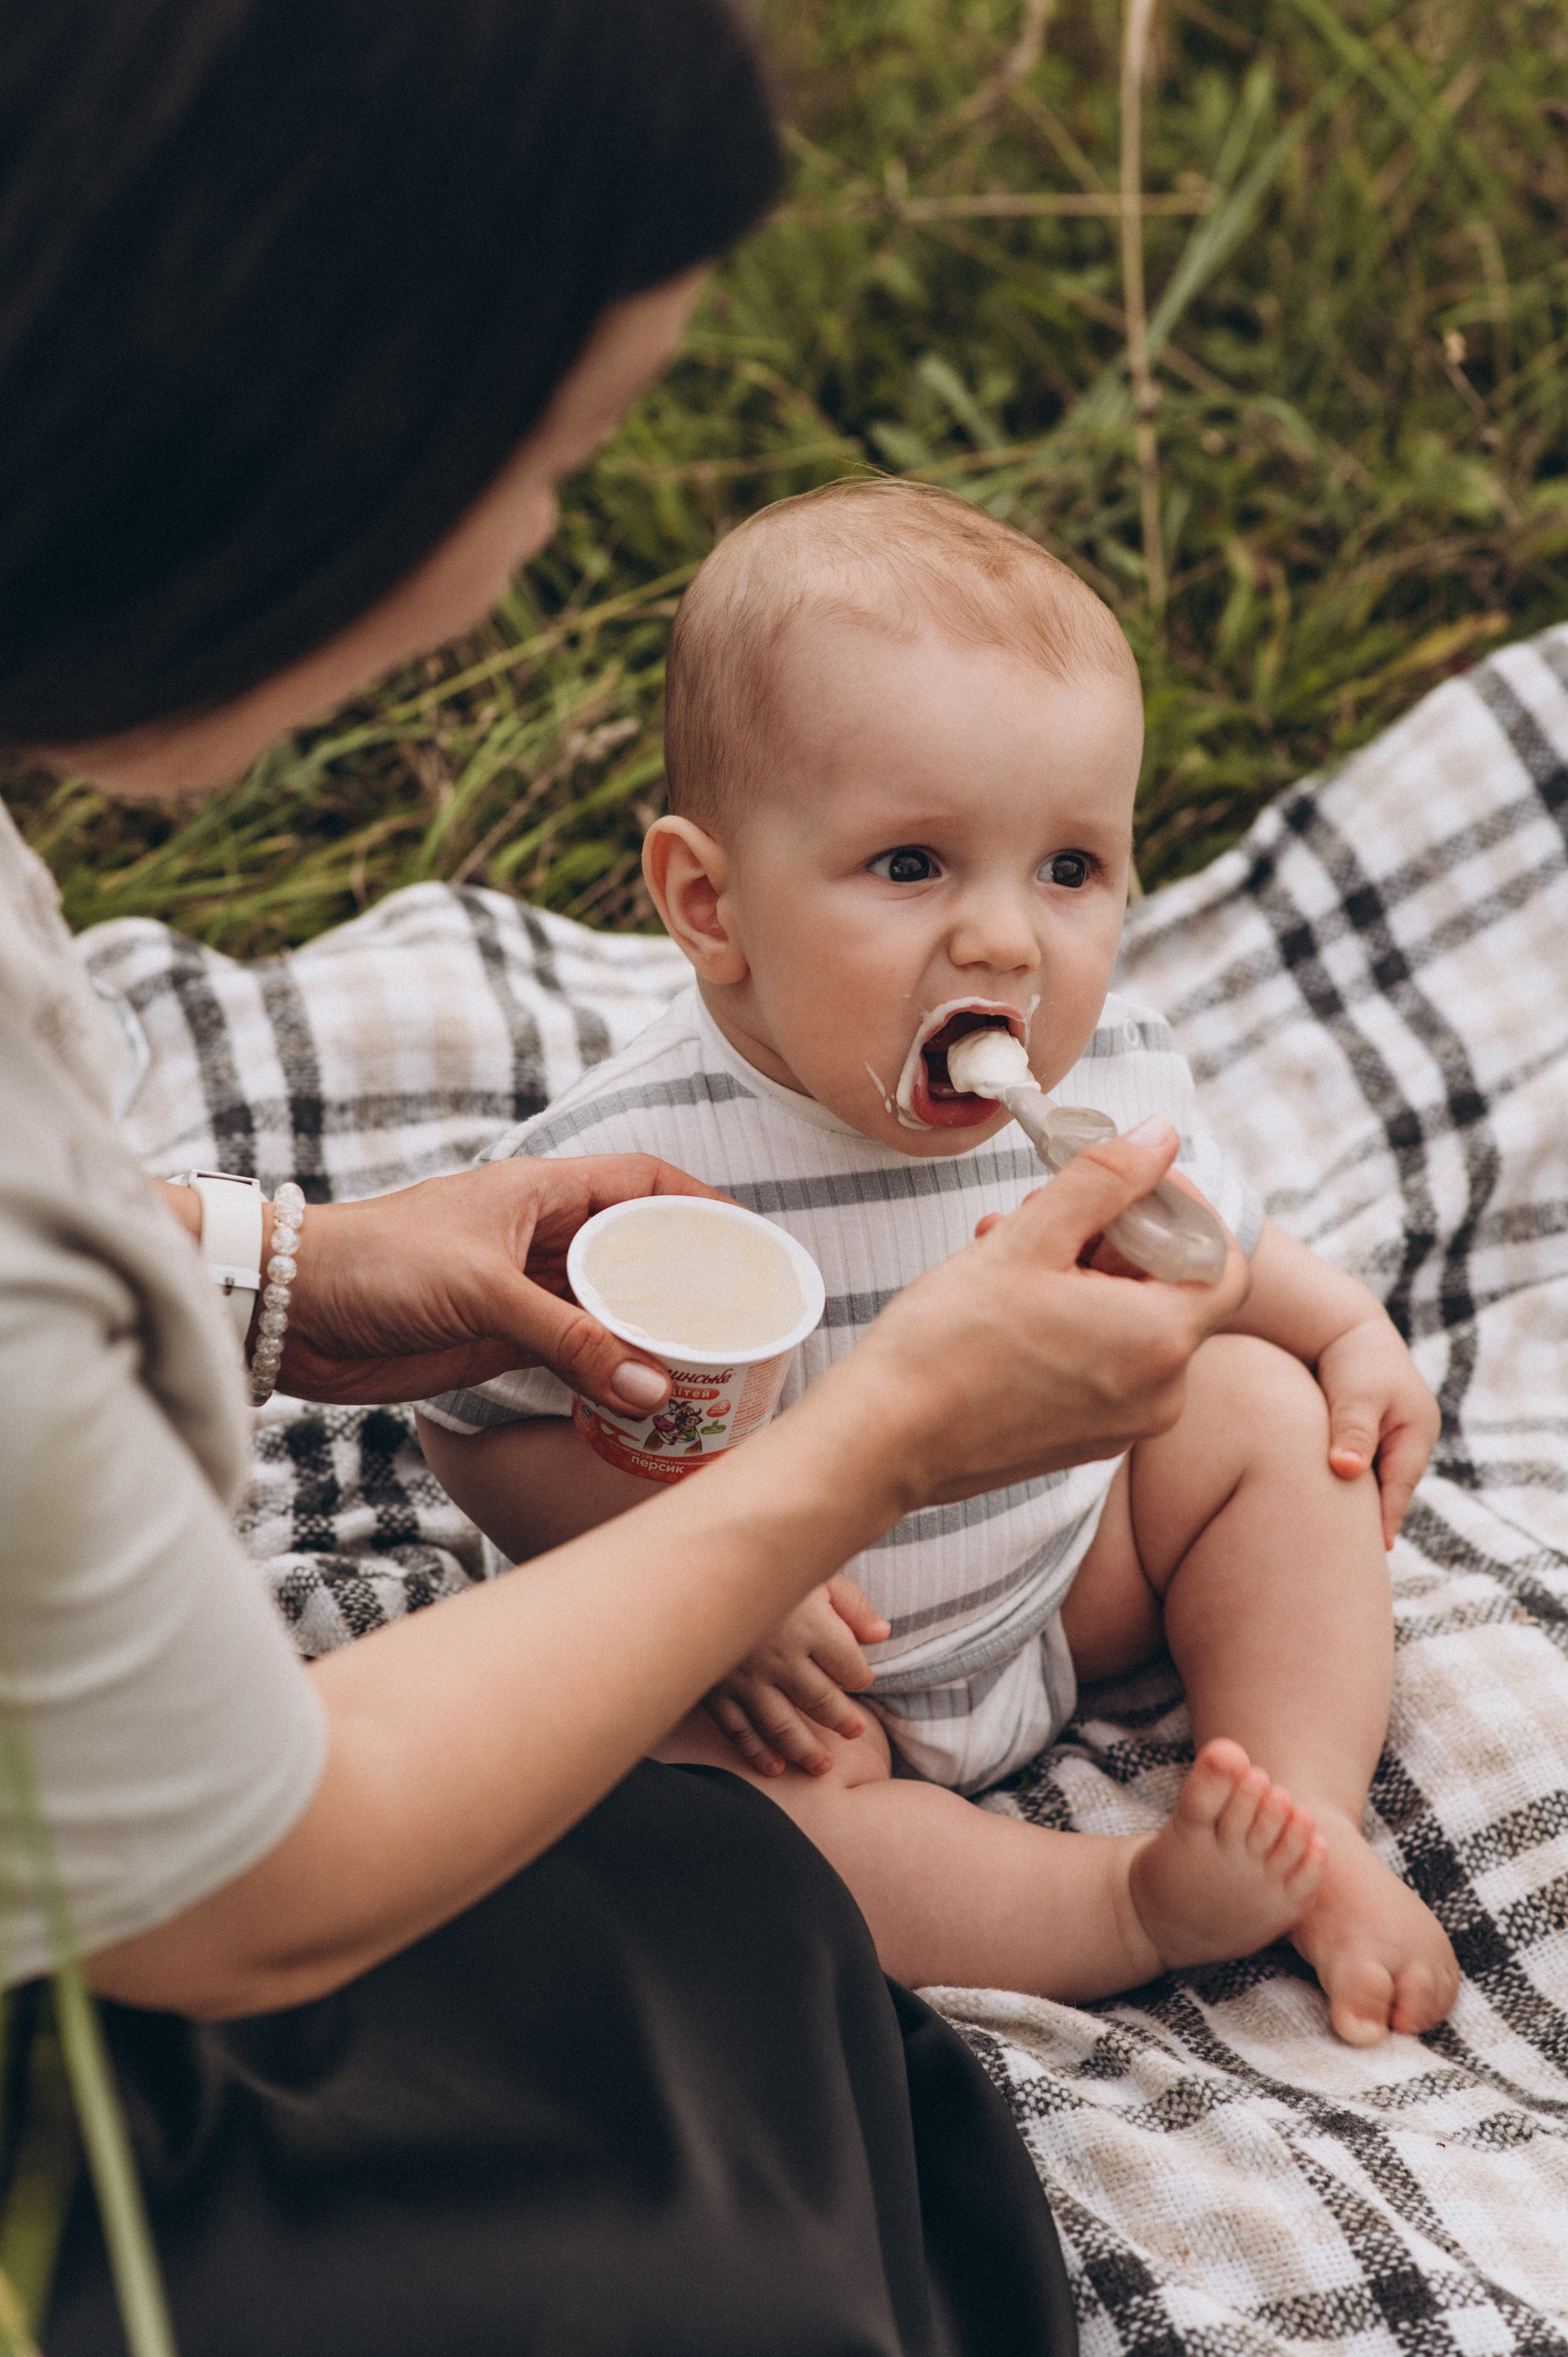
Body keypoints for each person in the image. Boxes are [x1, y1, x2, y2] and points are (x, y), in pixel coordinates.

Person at [0, 7, 1262, 2352]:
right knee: (732, 1933)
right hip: (116, 1994)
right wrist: (869, 1447)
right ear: (279, 420)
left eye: (1073, 865)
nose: (529, 564)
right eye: (558, 457)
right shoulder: (658, 1126)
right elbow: (233, 1888)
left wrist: (280, 1267)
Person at [417, 478, 1460, 2050]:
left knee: (1257, 1415)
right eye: (912, 866)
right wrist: (713, 1582)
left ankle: (1301, 1825)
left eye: (1067, 870)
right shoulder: (630, 1164)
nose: (1007, 945)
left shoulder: (1096, 1073)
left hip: (1050, 1579)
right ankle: (1115, 1908)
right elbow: (477, 1427)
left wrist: (1348, 1328)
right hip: (799, 1688)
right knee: (710, 1802)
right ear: (710, 905)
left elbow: (1208, 1249)